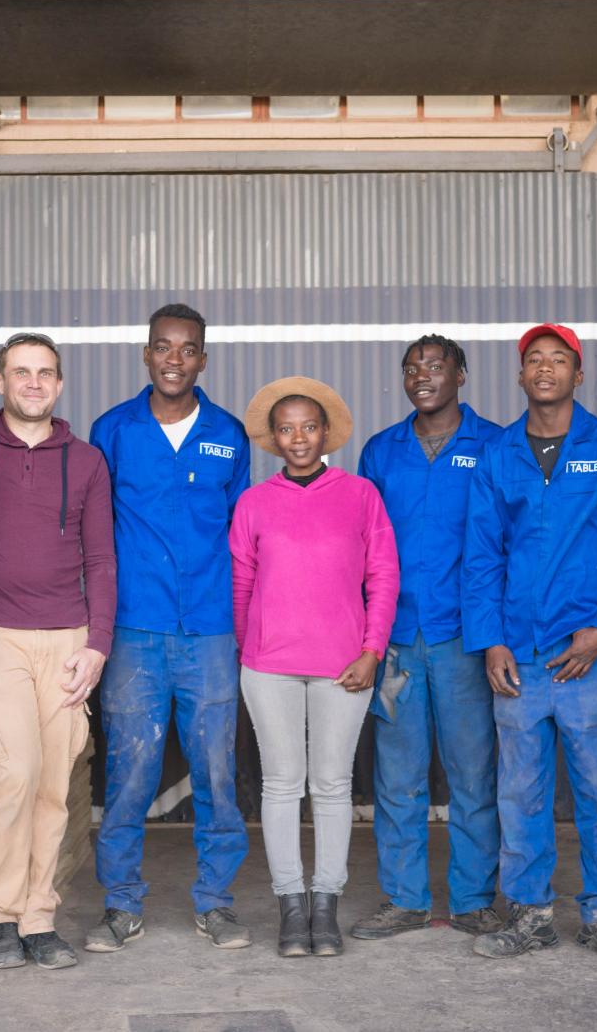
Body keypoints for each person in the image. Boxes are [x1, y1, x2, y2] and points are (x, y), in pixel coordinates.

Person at [460, 324, 597, 964]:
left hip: (586, 656)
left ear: (578, 373)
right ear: (520, 375)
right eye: (534, 360)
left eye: (558, 359)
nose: (545, 369)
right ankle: (532, 914)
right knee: (521, 793)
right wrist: (489, 642)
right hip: (519, 657)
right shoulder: (499, 455)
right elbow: (481, 556)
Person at [86, 305, 252, 954]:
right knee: (129, 770)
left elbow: (242, 537)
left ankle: (216, 902)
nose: (174, 359)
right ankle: (121, 904)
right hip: (134, 628)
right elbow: (94, 535)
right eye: (163, 347)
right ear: (146, 354)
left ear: (202, 360)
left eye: (188, 349)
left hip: (210, 630)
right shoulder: (114, 431)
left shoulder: (229, 435)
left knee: (216, 770)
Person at [0, 333, 115, 972]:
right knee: (12, 773)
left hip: (69, 637)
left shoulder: (89, 461)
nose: (34, 383)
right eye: (21, 372)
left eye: (45, 373)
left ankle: (38, 917)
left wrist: (98, 645)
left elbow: (101, 559)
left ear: (60, 384)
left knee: (55, 781)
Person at [229, 377, 398, 959]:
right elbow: (242, 585)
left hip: (343, 667)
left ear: (326, 433)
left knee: (330, 785)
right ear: (273, 439)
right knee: (280, 784)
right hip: (269, 666)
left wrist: (372, 650)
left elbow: (383, 576)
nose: (297, 437)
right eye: (285, 428)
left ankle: (325, 905)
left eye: (308, 426)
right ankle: (290, 906)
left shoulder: (361, 495)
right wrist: (250, 651)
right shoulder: (254, 502)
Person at [353, 336, 504, 942]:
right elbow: (360, 546)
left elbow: (510, 541)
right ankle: (405, 898)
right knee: (398, 777)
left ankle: (471, 900)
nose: (423, 375)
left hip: (466, 639)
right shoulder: (381, 451)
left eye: (436, 366)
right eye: (412, 367)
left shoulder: (494, 445)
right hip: (395, 641)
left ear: (461, 376)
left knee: (473, 774)